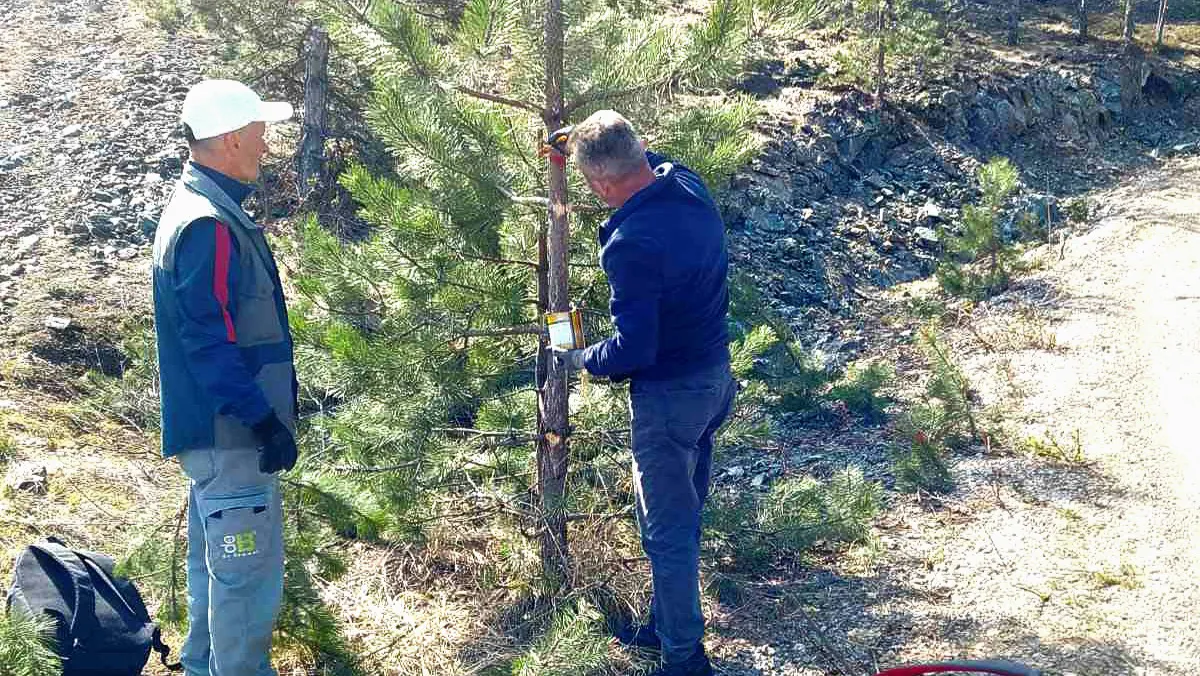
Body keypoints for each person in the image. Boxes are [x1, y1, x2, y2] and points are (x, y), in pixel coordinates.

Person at [553, 110, 737, 676]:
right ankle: (667, 627)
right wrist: (572, 142)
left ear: (601, 184)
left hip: (670, 399)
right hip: (714, 383)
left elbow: (635, 349)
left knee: (668, 536)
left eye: (590, 182)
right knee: (684, 515)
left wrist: (583, 358)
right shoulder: (685, 183)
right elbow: (646, 159)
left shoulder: (631, 243)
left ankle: (683, 660)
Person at [151, 79, 299, 676]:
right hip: (231, 435)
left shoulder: (204, 208)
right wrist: (262, 420)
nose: (266, 146)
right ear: (233, 138)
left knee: (217, 567)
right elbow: (210, 342)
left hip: (220, 435)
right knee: (242, 581)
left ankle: (200, 665)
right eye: (260, 134)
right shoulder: (207, 224)